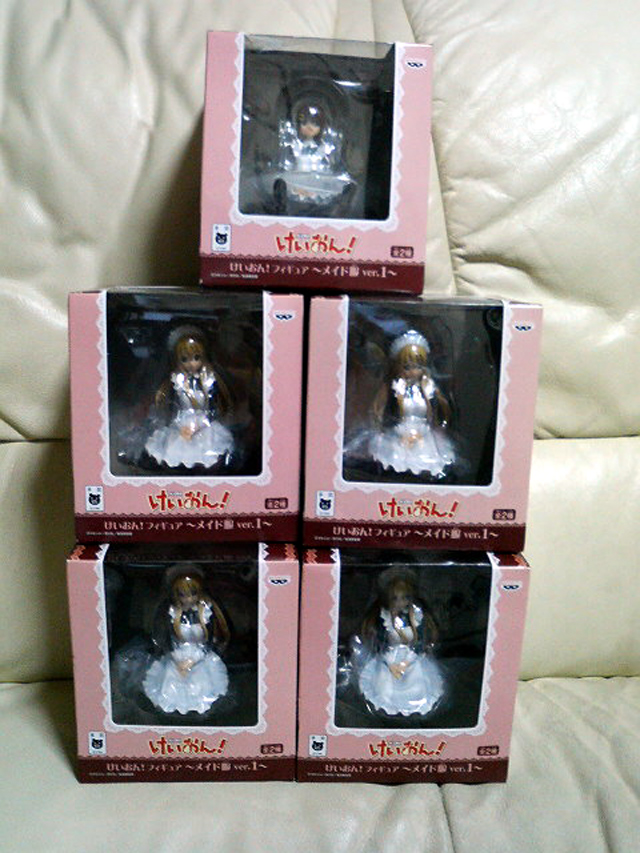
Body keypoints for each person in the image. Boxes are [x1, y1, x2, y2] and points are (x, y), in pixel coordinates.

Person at [145, 325, 233, 469]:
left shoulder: (208, 380)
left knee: (209, 450)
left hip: (205, 423)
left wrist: (202, 423)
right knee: (178, 449)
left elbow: (217, 406)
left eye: (196, 357)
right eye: (185, 359)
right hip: (182, 423)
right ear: (177, 360)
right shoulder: (177, 381)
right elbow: (170, 406)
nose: (192, 363)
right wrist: (180, 425)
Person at [143, 570, 229, 715]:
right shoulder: (173, 613)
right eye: (183, 595)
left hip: (201, 655)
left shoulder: (206, 612)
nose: (188, 599)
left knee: (201, 681)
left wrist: (193, 660)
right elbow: (167, 639)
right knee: (171, 680)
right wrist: (178, 660)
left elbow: (211, 641)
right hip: (178, 654)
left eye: (192, 594)